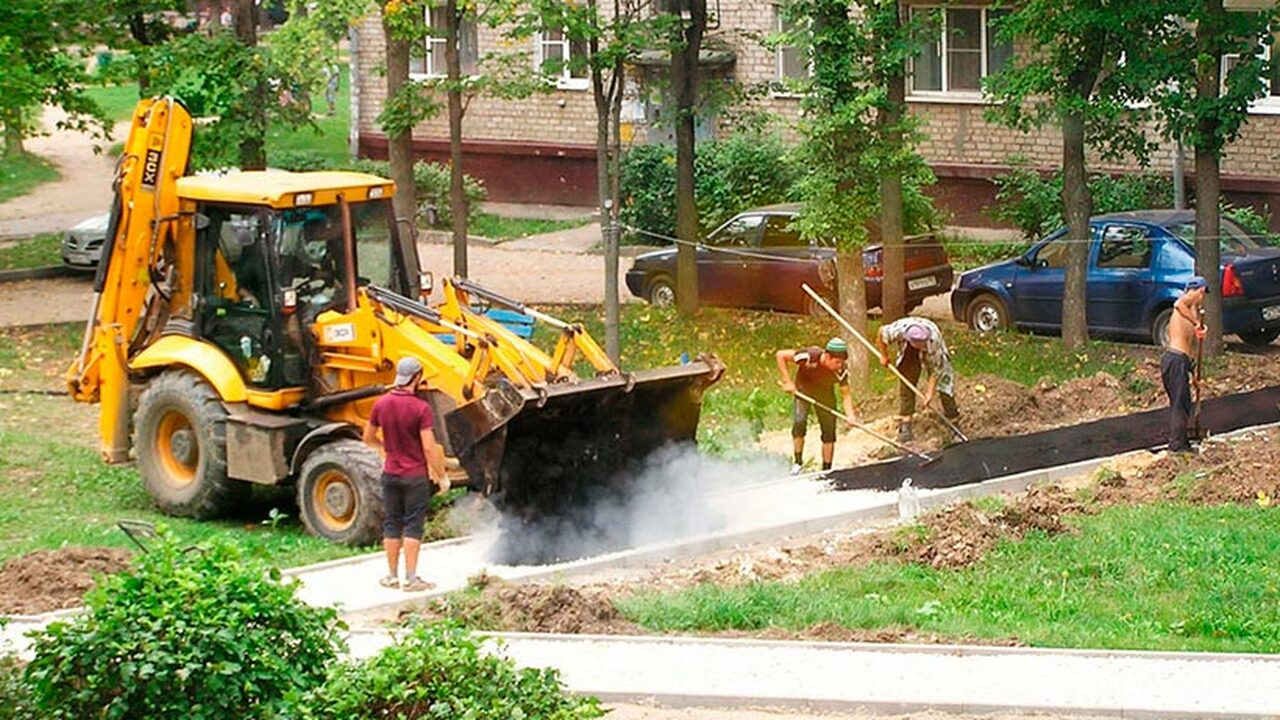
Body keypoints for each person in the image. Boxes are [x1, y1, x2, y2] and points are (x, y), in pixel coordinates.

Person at [363, 357, 449, 592]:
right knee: (413, 525)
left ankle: (391, 576)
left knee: (392, 523)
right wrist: (441, 476)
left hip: (390, 473)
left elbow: (368, 438)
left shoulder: (381, 404)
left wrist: (384, 449)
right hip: (414, 476)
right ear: (417, 377)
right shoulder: (421, 408)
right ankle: (411, 579)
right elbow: (429, 448)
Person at [776, 337, 856, 474]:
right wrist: (787, 381)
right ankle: (798, 463)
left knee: (829, 431)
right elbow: (781, 355)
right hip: (803, 389)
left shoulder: (841, 370)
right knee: (799, 423)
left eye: (842, 362)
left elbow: (846, 394)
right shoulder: (808, 356)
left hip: (825, 394)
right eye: (837, 362)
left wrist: (850, 415)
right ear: (827, 356)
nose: (839, 365)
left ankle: (826, 470)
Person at [876, 316, 959, 442]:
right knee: (907, 380)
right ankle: (905, 425)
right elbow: (881, 333)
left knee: (945, 382)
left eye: (921, 345)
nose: (920, 348)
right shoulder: (899, 330)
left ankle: (953, 420)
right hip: (908, 349)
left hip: (936, 356)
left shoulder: (934, 341)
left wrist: (929, 393)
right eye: (917, 345)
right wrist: (884, 355)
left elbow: (937, 370)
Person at [1162, 276, 1208, 453]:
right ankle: (1177, 446)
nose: (1202, 297)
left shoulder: (1194, 310)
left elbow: (1191, 347)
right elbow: (1179, 304)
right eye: (1202, 293)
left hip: (1182, 361)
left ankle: (1183, 441)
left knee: (1184, 403)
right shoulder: (1184, 305)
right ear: (1199, 291)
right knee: (1180, 404)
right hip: (1174, 359)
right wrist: (1196, 323)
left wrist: (1195, 374)